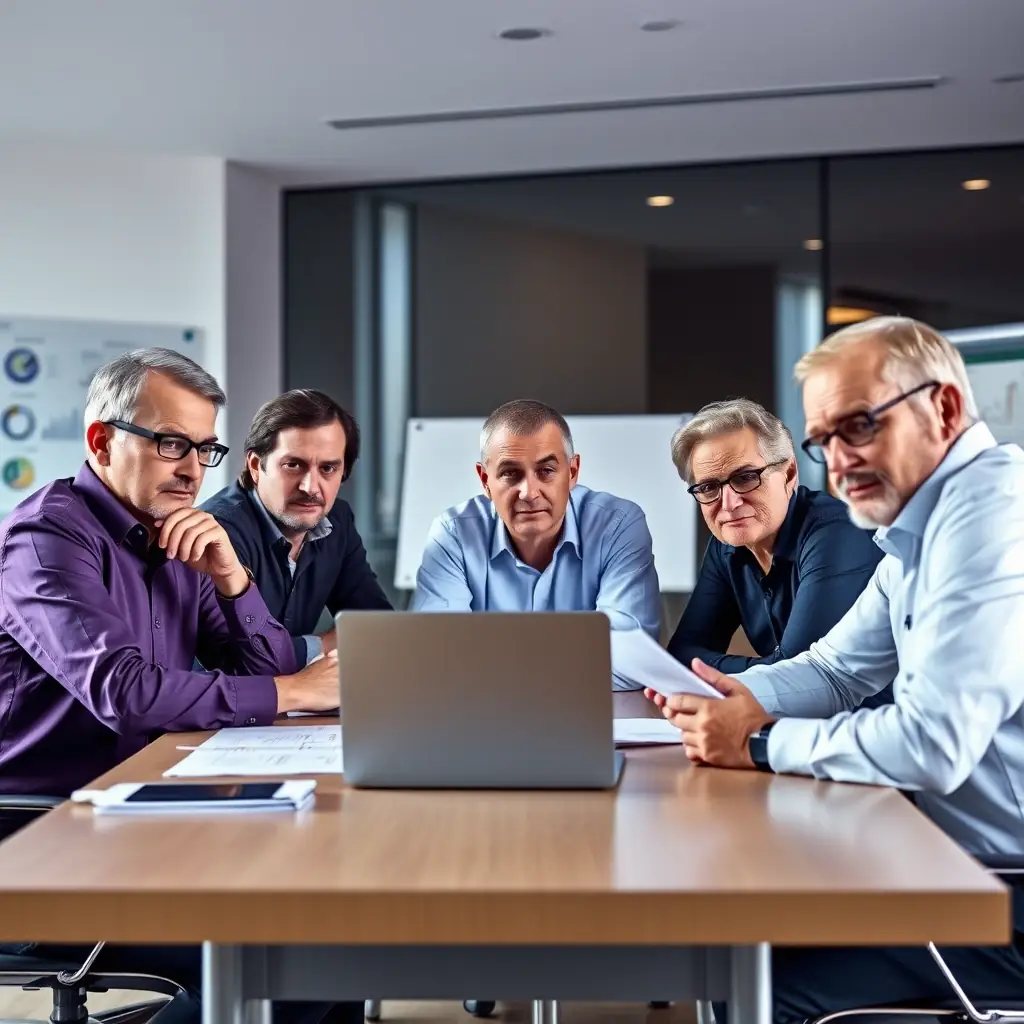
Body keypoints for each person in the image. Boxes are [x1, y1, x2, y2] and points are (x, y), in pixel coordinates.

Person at [647, 317, 1024, 1023]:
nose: (840, 460)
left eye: (858, 426)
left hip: (999, 897)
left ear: (941, 408)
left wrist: (756, 740)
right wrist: (733, 696)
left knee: (748, 983)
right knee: (730, 944)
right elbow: (835, 669)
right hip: (946, 866)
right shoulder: (917, 531)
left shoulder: (994, 523)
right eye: (826, 441)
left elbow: (931, 743)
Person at [0, 348, 347, 1024]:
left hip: (149, 814)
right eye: (170, 444)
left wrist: (231, 578)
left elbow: (269, 664)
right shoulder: (45, 538)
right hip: (45, 840)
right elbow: (124, 693)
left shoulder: (178, 534)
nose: (192, 470)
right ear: (101, 440)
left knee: (337, 916)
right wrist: (292, 695)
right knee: (300, 953)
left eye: (203, 449)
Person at [412, 399, 660, 688]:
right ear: (484, 480)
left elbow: (632, 664)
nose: (529, 492)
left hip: (586, 718)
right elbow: (435, 658)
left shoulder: (618, 525)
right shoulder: (453, 533)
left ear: (573, 472)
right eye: (510, 473)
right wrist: (578, 658)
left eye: (546, 471)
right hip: (483, 720)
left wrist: (486, 661)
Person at [666, 398, 883, 677]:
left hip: (878, 718)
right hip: (793, 718)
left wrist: (718, 672)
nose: (729, 504)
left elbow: (801, 675)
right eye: (708, 487)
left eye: (745, 478)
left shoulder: (837, 533)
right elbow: (683, 655)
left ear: (789, 473)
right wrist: (773, 666)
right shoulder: (727, 545)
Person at [203, 389, 391, 665]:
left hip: (299, 704)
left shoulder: (337, 520)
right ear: (256, 466)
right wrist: (326, 643)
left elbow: (378, 627)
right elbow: (236, 663)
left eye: (328, 469)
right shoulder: (219, 532)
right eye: (293, 465)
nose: (310, 487)